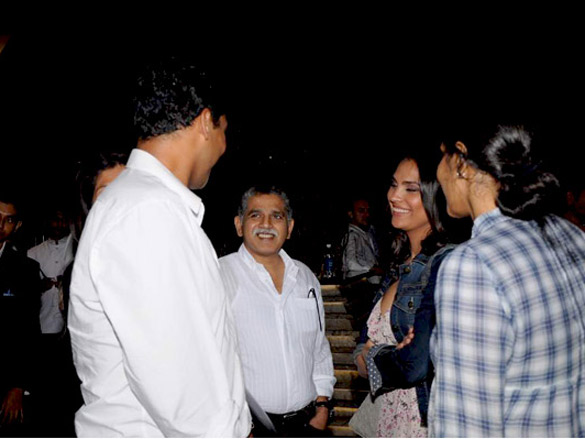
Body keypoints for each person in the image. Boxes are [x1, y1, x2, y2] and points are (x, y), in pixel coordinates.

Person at [67, 57, 251, 437]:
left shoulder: (149, 206)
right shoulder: (146, 213)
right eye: (224, 131)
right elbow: (179, 382)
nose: (223, 147)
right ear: (205, 121)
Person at [430, 123, 585, 437]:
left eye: (441, 157)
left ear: (459, 161)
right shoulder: (572, 236)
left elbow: (466, 426)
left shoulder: (473, 265)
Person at [351, 150, 454, 437]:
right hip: (386, 419)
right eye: (394, 184)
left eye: (411, 189)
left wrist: (373, 358)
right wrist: (376, 358)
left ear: (438, 196)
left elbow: (416, 365)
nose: (394, 196)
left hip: (421, 422)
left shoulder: (444, 264)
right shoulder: (399, 267)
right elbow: (360, 351)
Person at [220, 186, 336, 437]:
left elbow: (319, 347)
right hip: (249, 427)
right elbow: (210, 359)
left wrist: (323, 406)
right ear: (239, 225)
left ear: (290, 227)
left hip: (308, 424)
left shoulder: (305, 277)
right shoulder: (221, 275)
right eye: (255, 215)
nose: (266, 223)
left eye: (277, 216)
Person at [0, 187, 41, 437]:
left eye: (9, 219)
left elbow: (28, 331)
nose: (0, 224)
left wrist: (18, 386)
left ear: (17, 226)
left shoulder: (25, 270)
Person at [341, 197, 382, 283]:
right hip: (360, 287)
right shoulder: (351, 235)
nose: (366, 215)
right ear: (351, 214)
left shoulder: (368, 233)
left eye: (368, 211)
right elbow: (350, 264)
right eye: (361, 211)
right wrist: (371, 269)